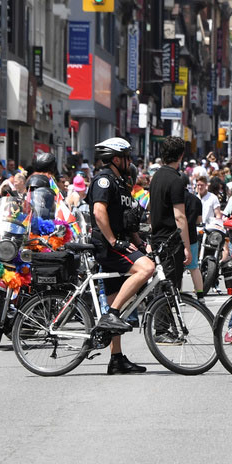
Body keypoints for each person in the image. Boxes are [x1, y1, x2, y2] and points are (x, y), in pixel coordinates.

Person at [88, 137, 153, 374]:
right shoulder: (104, 180)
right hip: (109, 246)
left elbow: (128, 219)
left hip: (121, 242)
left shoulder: (121, 182)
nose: (130, 161)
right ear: (116, 159)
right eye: (127, 157)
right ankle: (111, 316)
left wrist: (140, 243)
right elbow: (98, 212)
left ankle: (116, 359)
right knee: (146, 269)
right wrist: (114, 240)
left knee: (119, 299)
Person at [149, 137, 194, 291]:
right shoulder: (176, 180)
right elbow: (179, 216)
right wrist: (187, 247)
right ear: (181, 156)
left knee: (160, 288)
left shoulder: (155, 177)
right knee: (170, 291)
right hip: (171, 243)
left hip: (156, 239)